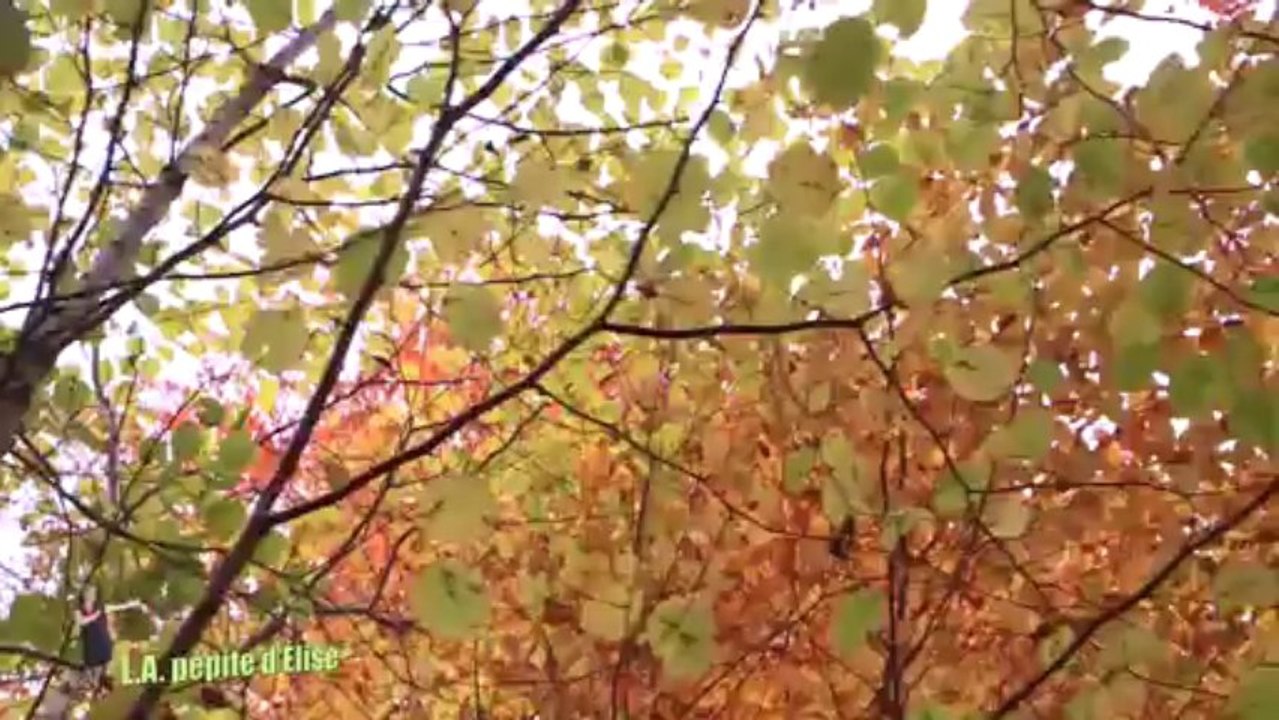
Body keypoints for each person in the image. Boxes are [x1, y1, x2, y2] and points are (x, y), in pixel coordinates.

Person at [75, 585, 113, 691]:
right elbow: (81, 622)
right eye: (91, 593)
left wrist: (132, 604)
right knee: (93, 663)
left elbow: (114, 607)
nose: (93, 595)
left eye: (94, 593)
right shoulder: (79, 608)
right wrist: (95, 616)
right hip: (90, 640)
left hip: (102, 637)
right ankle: (93, 684)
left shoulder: (99, 606)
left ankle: (99, 684)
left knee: (103, 662)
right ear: (85, 594)